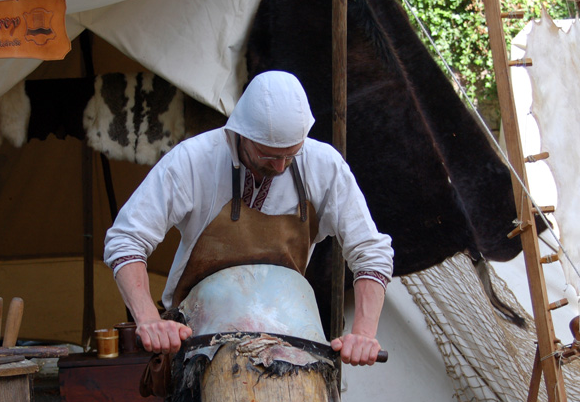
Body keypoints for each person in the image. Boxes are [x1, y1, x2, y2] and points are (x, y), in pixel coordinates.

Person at [104, 70, 393, 368]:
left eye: (290, 155)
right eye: (268, 155)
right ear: (241, 134)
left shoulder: (324, 165)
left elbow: (371, 251)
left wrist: (364, 333)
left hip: (289, 333)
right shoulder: (193, 160)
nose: (280, 167)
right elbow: (126, 238)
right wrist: (149, 319)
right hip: (200, 336)